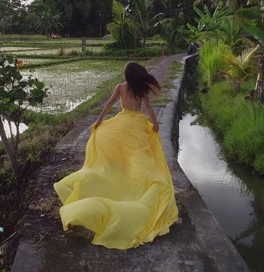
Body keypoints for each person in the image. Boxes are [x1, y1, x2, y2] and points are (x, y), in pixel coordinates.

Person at [54, 62, 179, 249]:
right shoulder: (140, 89)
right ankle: (135, 183)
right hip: (137, 124)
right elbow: (149, 108)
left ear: (127, 76)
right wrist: (155, 124)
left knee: (121, 151)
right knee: (137, 156)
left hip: (123, 123)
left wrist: (98, 122)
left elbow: (109, 104)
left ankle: (122, 178)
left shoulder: (120, 88)